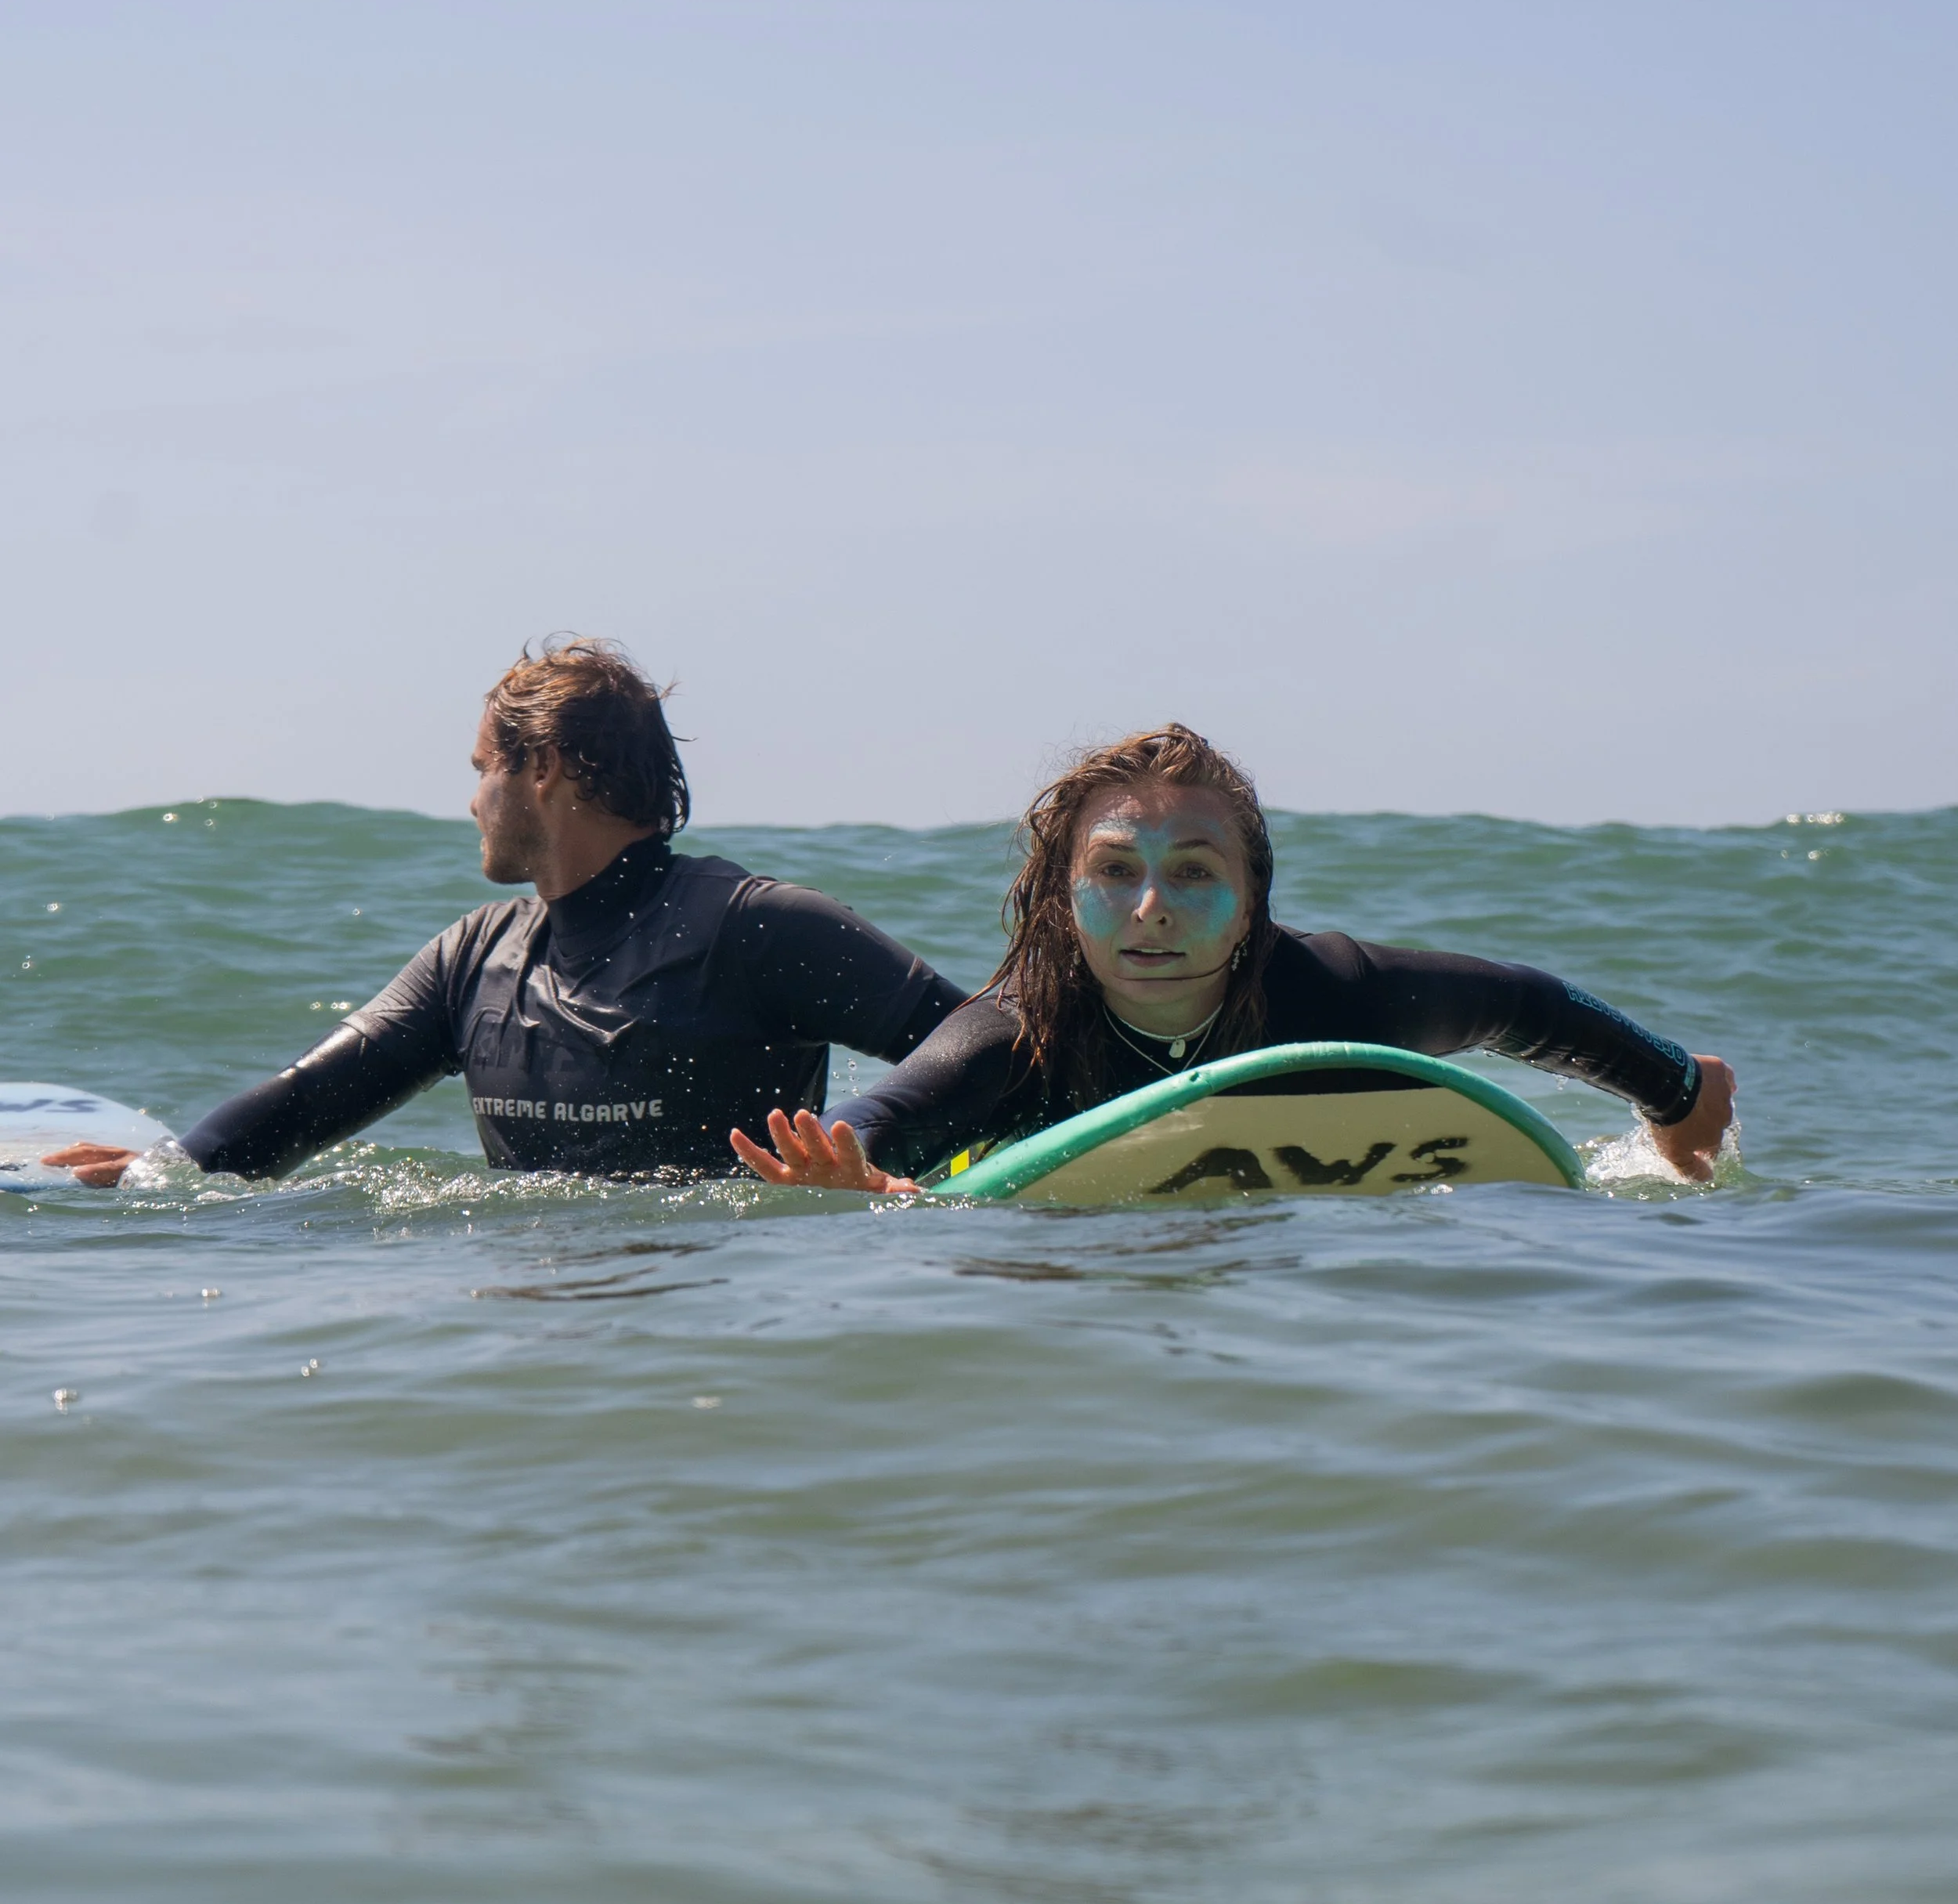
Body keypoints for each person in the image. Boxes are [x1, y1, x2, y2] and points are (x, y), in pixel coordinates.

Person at [44, 639, 966, 1187]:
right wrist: (163, 1171)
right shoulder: (473, 961)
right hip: (532, 1345)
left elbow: (988, 1036)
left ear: (543, 766)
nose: (474, 800)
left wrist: (863, 1145)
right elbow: (305, 1100)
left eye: (481, 768)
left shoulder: (751, 925)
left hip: (722, 1319)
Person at [731, 723, 1737, 1194]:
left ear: (1253, 896)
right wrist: (852, 1173)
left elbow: (1529, 1007)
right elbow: (882, 1124)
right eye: (1115, 871)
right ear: (1061, 899)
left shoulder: (1336, 992)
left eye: (1195, 873)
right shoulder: (1019, 1034)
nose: (1153, 907)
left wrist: (1677, 1091)